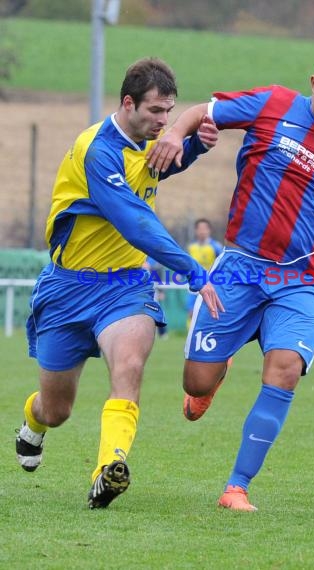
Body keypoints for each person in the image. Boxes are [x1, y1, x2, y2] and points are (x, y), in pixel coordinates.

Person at [147, 45, 314, 512]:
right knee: (195, 383)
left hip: (303, 280)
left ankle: (237, 487)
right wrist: (172, 134)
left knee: (285, 370)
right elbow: (201, 112)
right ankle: (218, 370)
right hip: (241, 268)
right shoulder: (270, 105)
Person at [15, 57, 224, 509]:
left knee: (128, 368)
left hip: (126, 286)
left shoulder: (147, 139)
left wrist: (196, 147)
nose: (165, 121)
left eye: (170, 112)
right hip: (68, 288)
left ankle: (109, 468)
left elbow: (157, 168)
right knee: (57, 409)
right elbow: (133, 220)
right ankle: (33, 424)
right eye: (155, 111)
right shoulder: (97, 149)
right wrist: (191, 269)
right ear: (128, 103)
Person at [186, 218, 223, 325]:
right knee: (191, 312)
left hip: (210, 284)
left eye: (205, 228)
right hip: (193, 283)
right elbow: (186, 263)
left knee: (210, 311)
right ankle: (191, 336)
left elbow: (221, 264)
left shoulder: (216, 247)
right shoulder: (191, 247)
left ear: (209, 230)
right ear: (196, 230)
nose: (202, 231)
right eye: (200, 229)